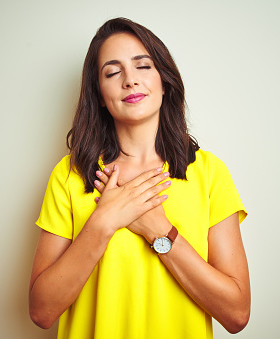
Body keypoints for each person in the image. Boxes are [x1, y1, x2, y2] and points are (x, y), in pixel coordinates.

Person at [29, 17, 250, 339]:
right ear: (100, 95)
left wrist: (159, 230)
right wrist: (104, 221)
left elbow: (237, 313)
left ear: (165, 81)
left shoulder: (209, 172)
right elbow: (41, 311)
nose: (130, 81)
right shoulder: (71, 174)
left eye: (143, 66)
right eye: (113, 72)